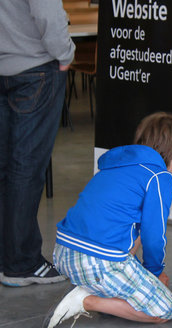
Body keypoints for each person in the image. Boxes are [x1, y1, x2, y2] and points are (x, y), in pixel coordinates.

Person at [42, 112, 172, 328]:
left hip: (63, 254)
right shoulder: (159, 176)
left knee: (133, 228)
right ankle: (85, 300)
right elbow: (154, 235)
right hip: (96, 262)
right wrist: (154, 273)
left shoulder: (116, 166)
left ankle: (101, 291)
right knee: (165, 309)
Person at [0, 0, 75, 287]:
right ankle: (21, 263)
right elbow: (46, 11)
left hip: (4, 68)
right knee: (25, 169)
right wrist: (65, 52)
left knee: (6, 168)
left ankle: (6, 258)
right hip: (35, 67)